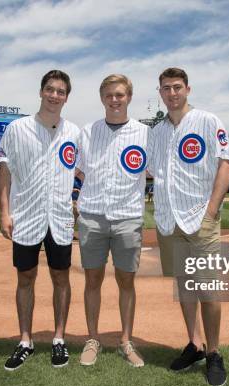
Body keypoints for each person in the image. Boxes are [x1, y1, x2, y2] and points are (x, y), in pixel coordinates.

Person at [148, 67, 229, 386]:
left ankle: (213, 352)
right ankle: (194, 344)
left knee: (208, 289)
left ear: (188, 89)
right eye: (166, 88)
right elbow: (146, 170)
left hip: (201, 219)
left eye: (177, 87)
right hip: (170, 222)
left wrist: (211, 211)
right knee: (184, 288)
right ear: (160, 93)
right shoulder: (155, 132)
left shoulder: (209, 121)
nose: (172, 93)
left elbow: (226, 164)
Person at [0, 70, 80, 370]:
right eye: (50, 89)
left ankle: (59, 339)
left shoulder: (74, 133)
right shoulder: (17, 129)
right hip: (26, 216)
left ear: (66, 97)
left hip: (59, 218)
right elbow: (3, 170)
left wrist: (78, 199)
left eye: (60, 91)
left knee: (61, 277)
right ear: (41, 92)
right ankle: (25, 340)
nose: (55, 95)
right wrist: (4, 212)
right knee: (25, 278)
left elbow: (83, 172)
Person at [75, 74, 149, 367]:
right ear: (102, 97)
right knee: (92, 280)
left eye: (119, 95)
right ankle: (93, 339)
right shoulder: (87, 131)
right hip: (92, 216)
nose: (114, 100)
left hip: (127, 217)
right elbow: (77, 170)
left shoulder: (145, 134)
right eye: (109, 95)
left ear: (129, 97)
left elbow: (158, 169)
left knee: (126, 281)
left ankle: (126, 341)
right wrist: (74, 199)